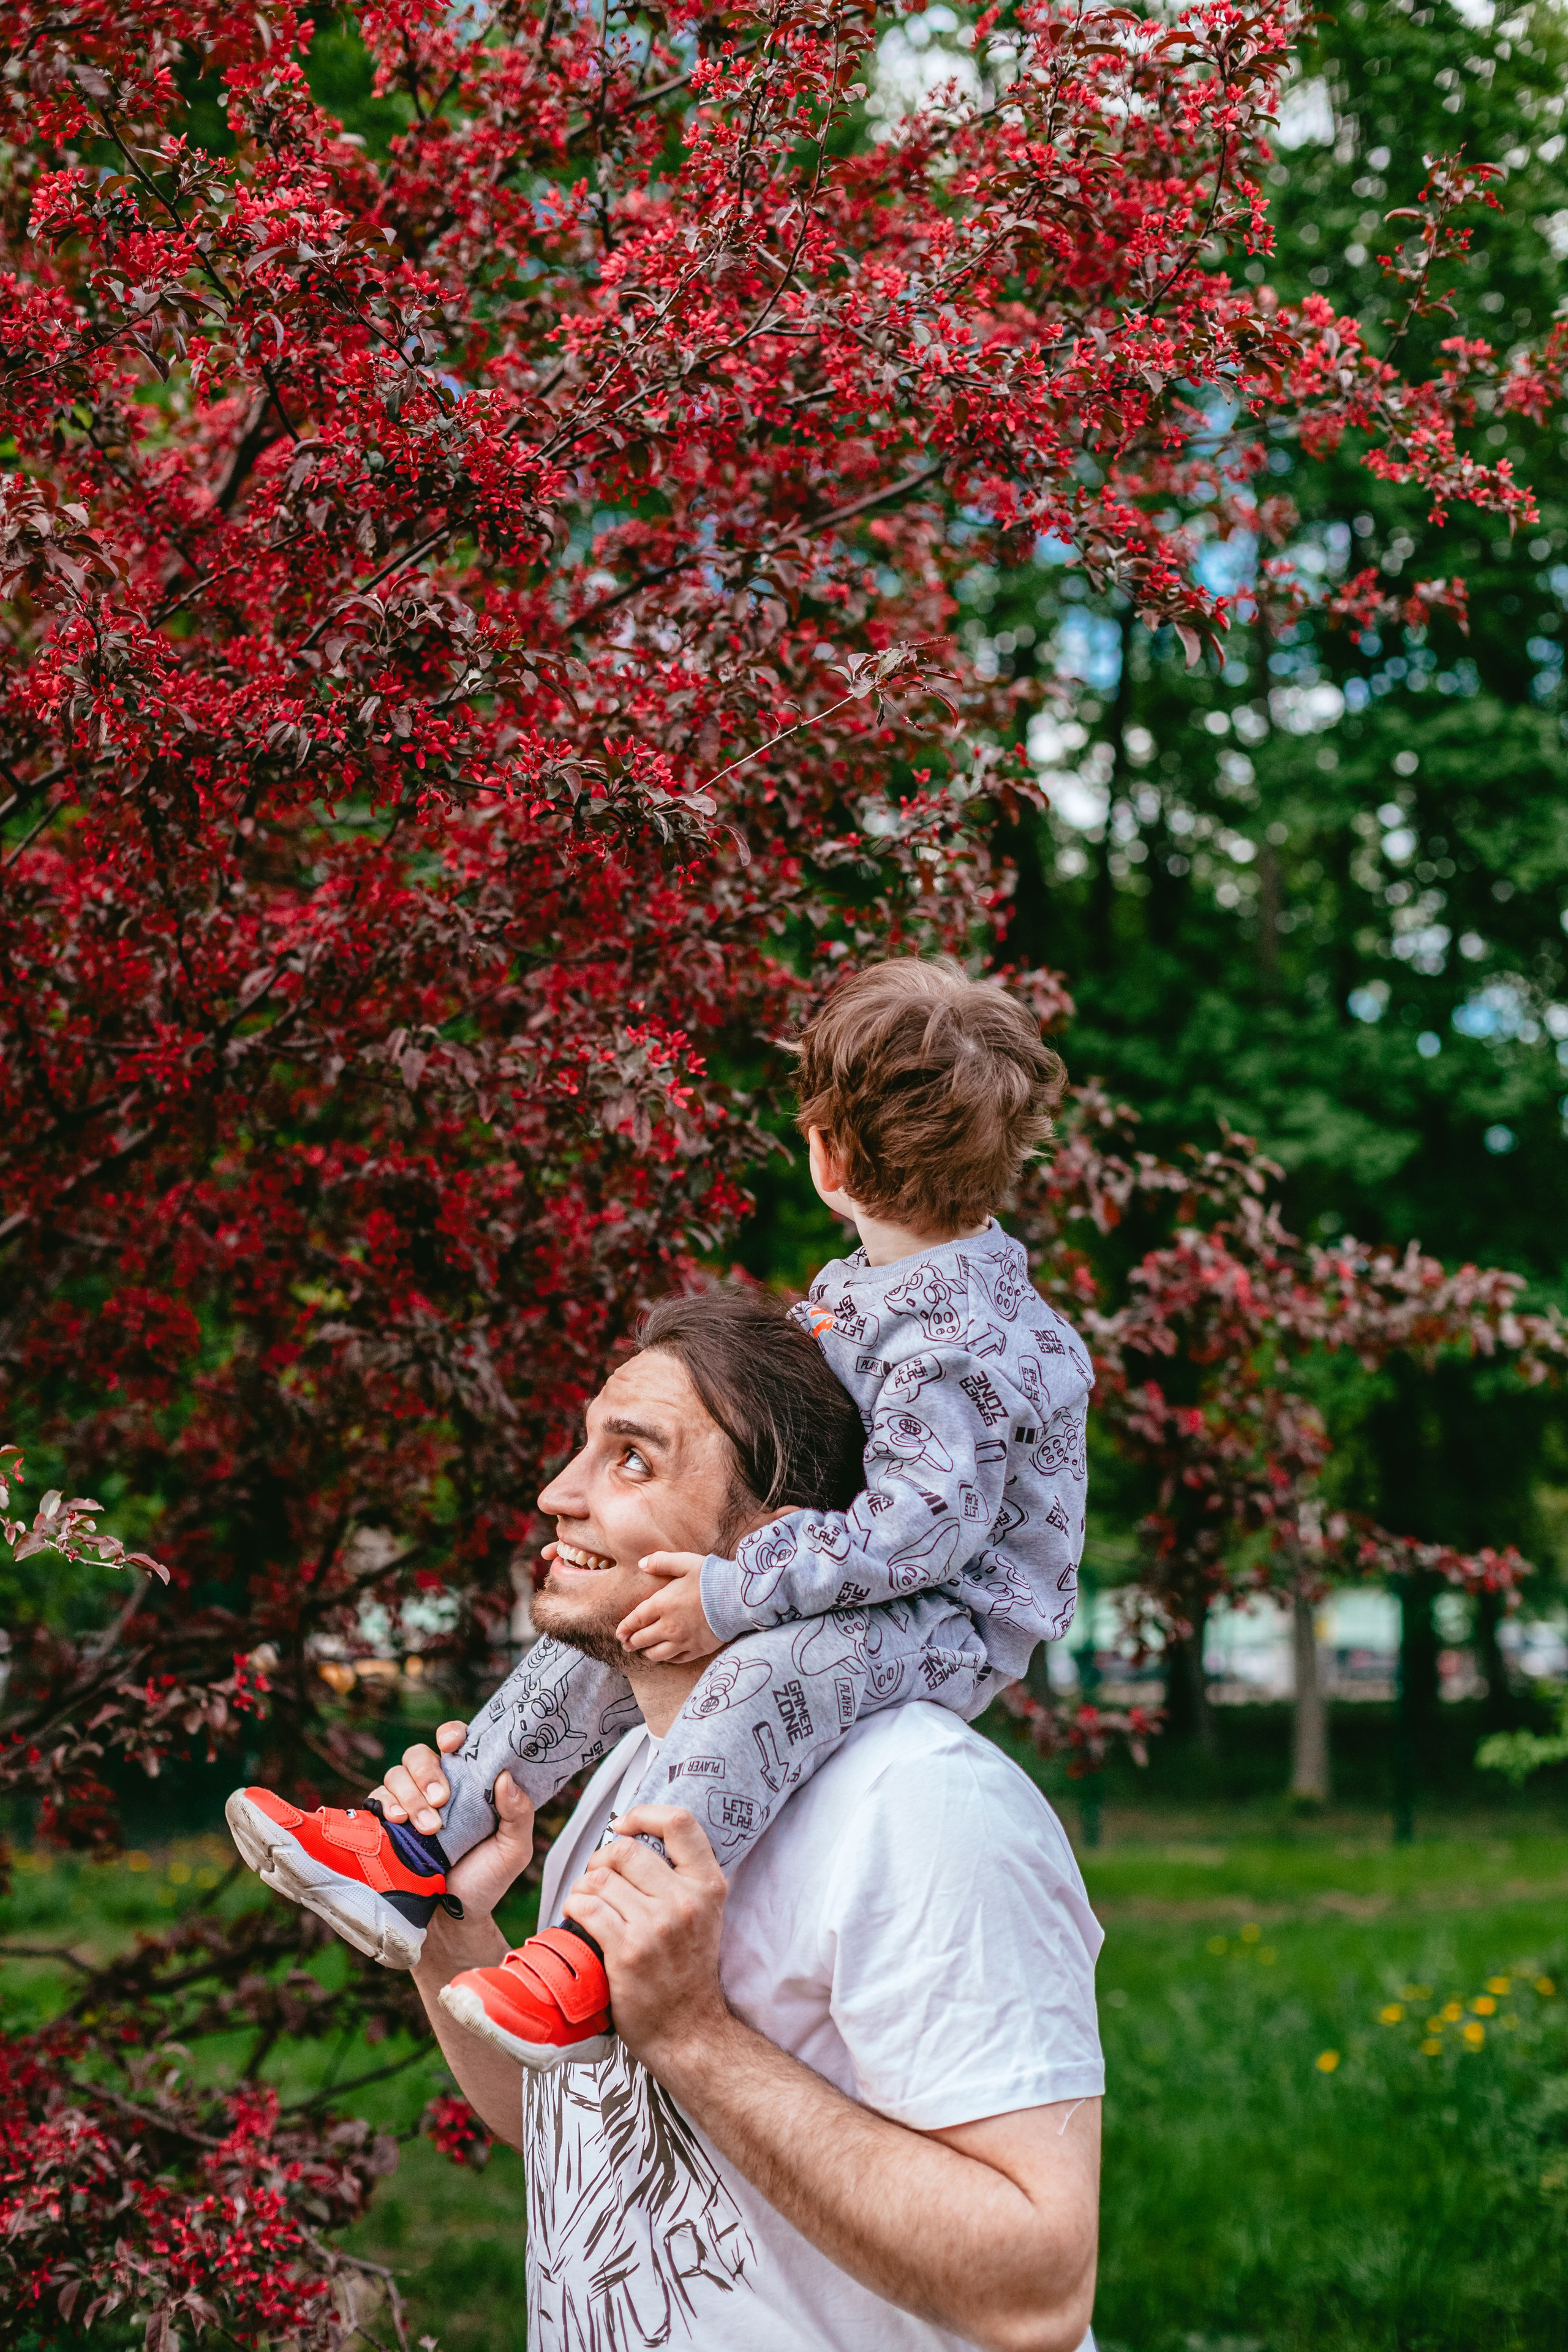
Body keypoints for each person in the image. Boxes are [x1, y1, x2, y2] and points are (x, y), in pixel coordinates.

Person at [226, 957, 1093, 2068]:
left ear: (825, 1153)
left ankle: (597, 1952)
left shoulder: (955, 1345)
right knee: (629, 1599)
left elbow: (916, 1537)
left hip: (945, 1617)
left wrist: (735, 1591)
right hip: (857, 1573)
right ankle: (419, 1849)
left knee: (762, 1672)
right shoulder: (875, 1294)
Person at [380, 1309, 1104, 2352]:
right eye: (585, 1445)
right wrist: (449, 1928)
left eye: (631, 1459)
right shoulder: (638, 1774)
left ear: (777, 1545)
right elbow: (576, 2132)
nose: (559, 1493)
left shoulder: (921, 1805)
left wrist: (692, 2036)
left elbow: (1035, 2288)